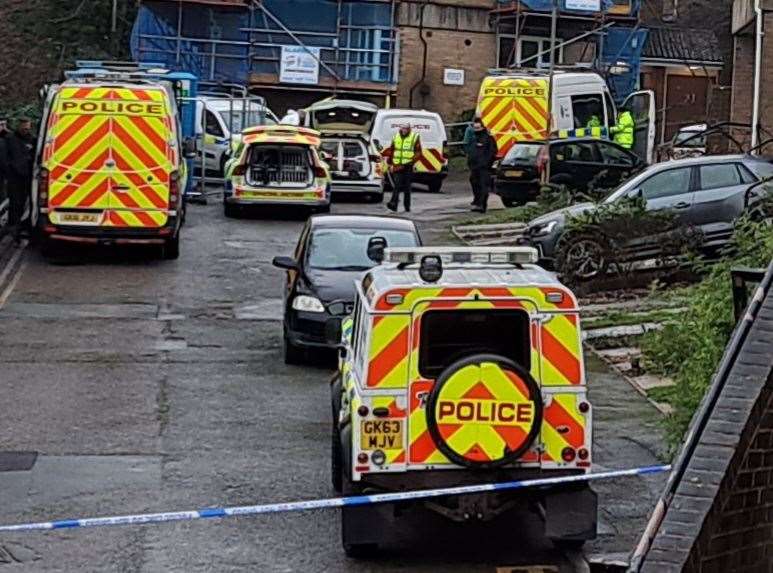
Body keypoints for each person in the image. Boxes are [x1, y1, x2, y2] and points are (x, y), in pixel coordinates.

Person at [6, 117, 36, 242]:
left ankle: (25, 227)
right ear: (18, 126)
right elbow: (5, 158)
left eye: (28, 128)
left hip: (29, 177)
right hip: (15, 178)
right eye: (24, 127)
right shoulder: (10, 139)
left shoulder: (32, 140)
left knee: (28, 203)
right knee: (15, 204)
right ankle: (14, 229)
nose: (26, 130)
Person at [384, 122, 421, 213]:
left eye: (406, 129)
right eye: (403, 128)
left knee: (407, 188)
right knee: (396, 186)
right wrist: (389, 162)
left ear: (409, 129)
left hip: (408, 166)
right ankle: (393, 205)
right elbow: (392, 150)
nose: (404, 130)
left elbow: (418, 152)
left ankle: (407, 206)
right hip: (397, 166)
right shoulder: (396, 137)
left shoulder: (414, 137)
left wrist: (412, 161)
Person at [466, 118, 497, 213]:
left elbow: (492, 152)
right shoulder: (474, 138)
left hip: (484, 168)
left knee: (483, 186)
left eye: (478, 128)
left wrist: (486, 163)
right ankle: (477, 202)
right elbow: (470, 151)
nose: (476, 130)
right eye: (475, 128)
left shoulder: (488, 138)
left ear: (482, 127)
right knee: (474, 183)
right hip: (474, 167)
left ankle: (482, 205)